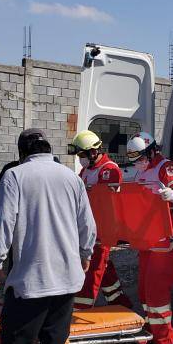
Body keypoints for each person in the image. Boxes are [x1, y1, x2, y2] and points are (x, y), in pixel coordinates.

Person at [0, 129, 96, 344]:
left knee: (17, 335)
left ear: (22, 152)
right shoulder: (70, 177)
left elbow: (3, 223)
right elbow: (87, 224)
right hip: (67, 274)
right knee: (55, 334)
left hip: (32, 275)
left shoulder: (16, 176)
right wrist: (85, 252)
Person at [125, 132, 173, 344]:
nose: (138, 162)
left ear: (151, 150)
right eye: (134, 158)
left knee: (157, 287)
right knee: (144, 288)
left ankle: (165, 340)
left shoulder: (165, 167)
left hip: (168, 229)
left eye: (140, 157)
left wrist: (170, 194)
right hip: (150, 231)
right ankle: (153, 330)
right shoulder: (142, 169)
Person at [69, 130, 132, 310]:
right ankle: (121, 306)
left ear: (93, 152)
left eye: (82, 154)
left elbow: (105, 202)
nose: (79, 158)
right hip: (88, 229)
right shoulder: (86, 170)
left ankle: (79, 311)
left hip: (101, 232)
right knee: (104, 272)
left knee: (91, 273)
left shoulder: (109, 170)